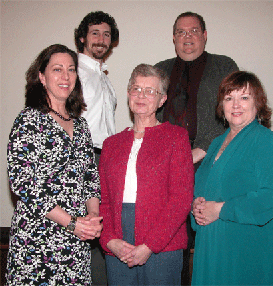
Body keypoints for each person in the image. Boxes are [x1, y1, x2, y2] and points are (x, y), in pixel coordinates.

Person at [6, 44, 103, 285]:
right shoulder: (28, 120)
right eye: (57, 69)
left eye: (71, 69)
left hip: (76, 241)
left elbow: (91, 179)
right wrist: (71, 223)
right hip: (37, 242)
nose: (65, 76)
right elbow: (23, 184)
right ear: (41, 76)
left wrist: (92, 217)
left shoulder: (81, 127)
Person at [155, 12, 239, 284]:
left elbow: (234, 114)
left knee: (209, 241)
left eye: (193, 31)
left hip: (212, 165)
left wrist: (199, 150)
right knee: (172, 240)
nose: (187, 37)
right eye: (181, 32)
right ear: (173, 38)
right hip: (168, 170)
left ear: (204, 35)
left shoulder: (223, 66)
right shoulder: (161, 69)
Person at [191, 71, 273, 285]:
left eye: (244, 98)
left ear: (258, 104)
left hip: (252, 251)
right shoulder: (216, 143)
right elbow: (203, 188)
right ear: (222, 106)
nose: (236, 105)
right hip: (214, 248)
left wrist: (221, 209)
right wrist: (197, 208)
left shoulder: (267, 142)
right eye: (229, 98)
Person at [99, 64, 194, 285]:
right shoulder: (111, 145)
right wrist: (109, 240)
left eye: (150, 91)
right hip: (118, 243)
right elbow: (105, 201)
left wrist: (151, 245)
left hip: (163, 243)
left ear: (162, 100)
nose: (142, 96)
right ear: (128, 94)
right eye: (136, 89)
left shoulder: (176, 138)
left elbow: (180, 200)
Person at [74, 11, 119, 285]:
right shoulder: (74, 72)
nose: (101, 39)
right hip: (83, 156)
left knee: (103, 225)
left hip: (106, 158)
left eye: (107, 34)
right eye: (95, 33)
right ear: (82, 37)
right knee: (84, 226)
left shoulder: (104, 78)